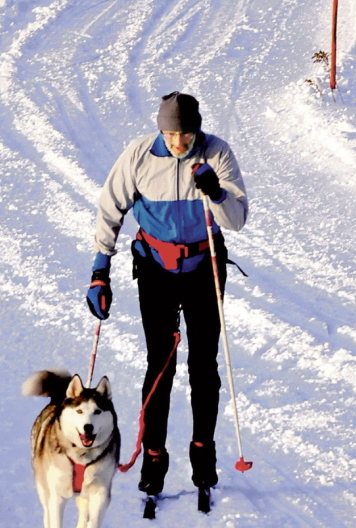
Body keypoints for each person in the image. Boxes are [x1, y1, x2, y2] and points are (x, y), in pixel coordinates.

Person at [86, 91, 248, 498]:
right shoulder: (139, 155)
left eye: (187, 133)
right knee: (160, 363)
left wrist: (215, 191)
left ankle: (203, 455)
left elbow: (237, 220)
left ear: (198, 129)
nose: (180, 143)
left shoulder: (217, 153)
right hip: (156, 268)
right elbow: (110, 208)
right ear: (161, 129)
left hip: (203, 266)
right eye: (172, 134)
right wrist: (99, 270)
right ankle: (153, 458)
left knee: (204, 366)